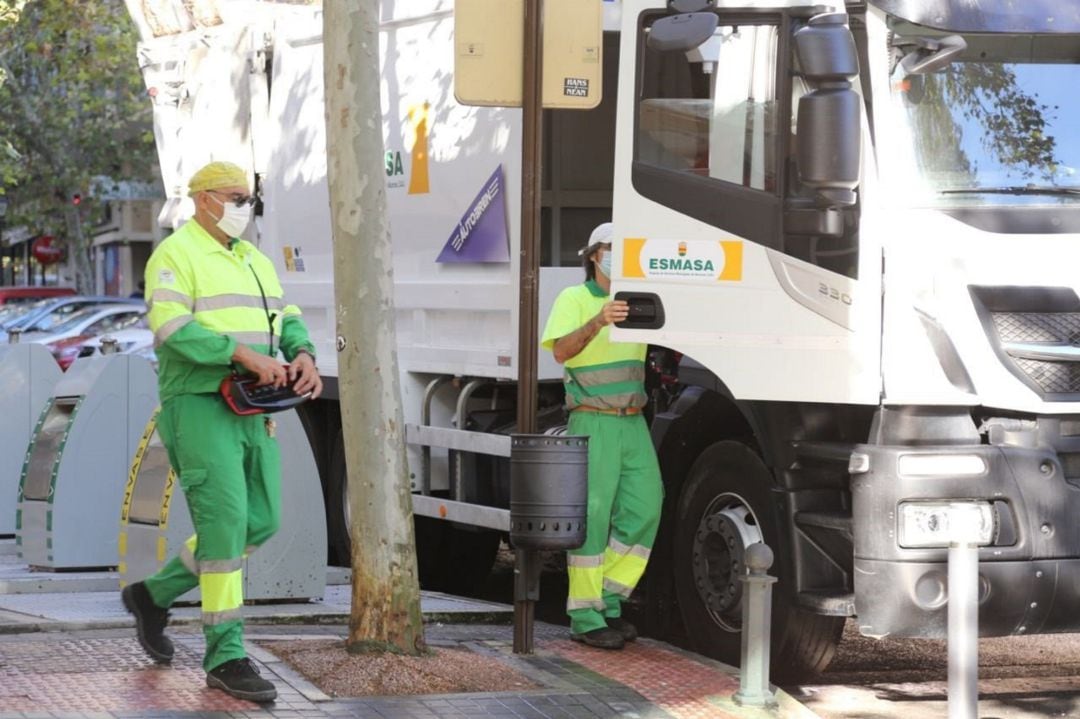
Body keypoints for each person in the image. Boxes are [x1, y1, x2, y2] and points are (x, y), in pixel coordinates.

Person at [121, 161, 322, 702]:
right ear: (203, 198)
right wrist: (241, 354)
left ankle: (153, 594)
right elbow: (172, 328)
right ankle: (226, 654)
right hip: (201, 404)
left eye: (248, 199)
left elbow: (286, 315)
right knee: (228, 522)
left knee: (262, 519)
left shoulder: (254, 260)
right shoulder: (176, 254)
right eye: (235, 196)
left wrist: (301, 353)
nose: (243, 207)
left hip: (254, 406)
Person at [540, 222, 663, 650]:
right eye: (612, 249)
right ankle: (586, 615)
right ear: (594, 255)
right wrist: (599, 319)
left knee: (646, 507)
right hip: (593, 420)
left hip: (632, 420)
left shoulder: (639, 300)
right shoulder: (573, 298)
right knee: (593, 518)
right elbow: (560, 351)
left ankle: (610, 598)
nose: (619, 256)